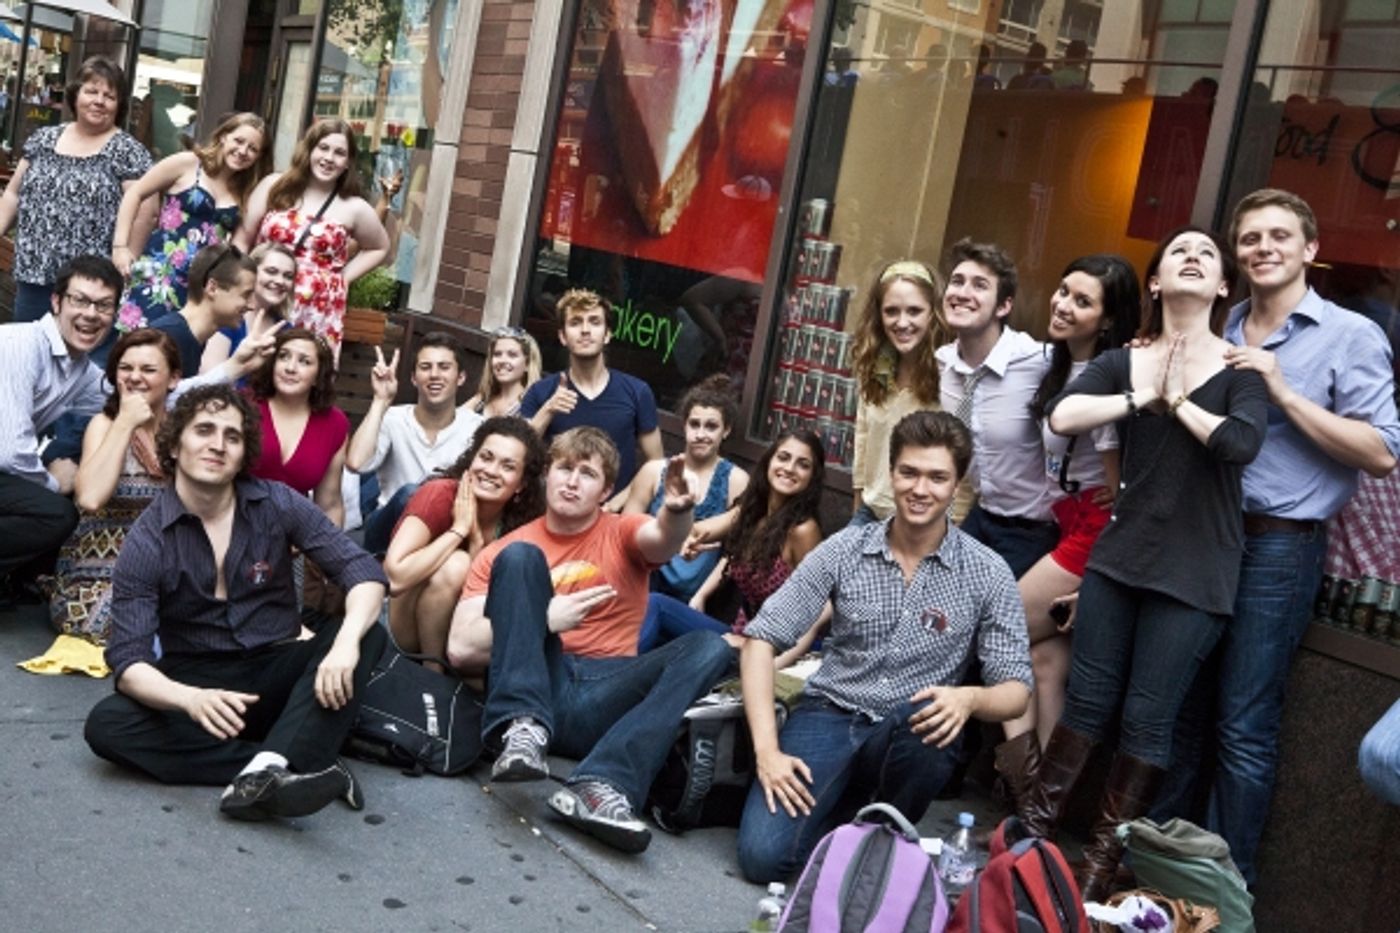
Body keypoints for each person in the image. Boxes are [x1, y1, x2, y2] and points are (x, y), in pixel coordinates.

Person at [1021, 226, 1269, 903]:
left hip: (1196, 572)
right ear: (1155, 282)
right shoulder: (1127, 362)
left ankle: (1100, 867)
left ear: (1223, 287)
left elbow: (1241, 444)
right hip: (1120, 558)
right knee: (1089, 704)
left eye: (1206, 254)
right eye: (1176, 252)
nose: (1191, 257)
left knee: (1148, 720)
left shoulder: (1244, 366)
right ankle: (1030, 844)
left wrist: (1180, 400)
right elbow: (1064, 413)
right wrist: (1142, 395)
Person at [1163, 190, 1400, 886]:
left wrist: (1285, 393)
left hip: (1278, 547)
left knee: (1241, 724)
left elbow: (1383, 451)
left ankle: (1224, 894)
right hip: (1200, 539)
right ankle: (1162, 880)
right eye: (1250, 238)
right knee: (1180, 711)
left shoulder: (1350, 335)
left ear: (1310, 250)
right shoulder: (1222, 321)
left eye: (1279, 236)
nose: (1263, 247)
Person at [734, 411, 1031, 882]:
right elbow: (760, 641)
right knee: (761, 859)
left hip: (908, 730)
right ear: (891, 474)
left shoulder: (988, 572)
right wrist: (767, 751)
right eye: (909, 472)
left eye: (937, 477)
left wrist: (970, 697)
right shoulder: (844, 549)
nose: (920, 489)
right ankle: (851, 815)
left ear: (957, 486)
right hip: (829, 713)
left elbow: (1017, 689)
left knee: (933, 726)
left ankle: (881, 826)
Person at [83, 384, 388, 821]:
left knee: (363, 633)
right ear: (176, 444)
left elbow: (362, 571)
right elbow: (129, 663)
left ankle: (269, 768)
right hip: (199, 682)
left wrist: (345, 645)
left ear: (245, 452)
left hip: (277, 666)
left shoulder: (275, 501)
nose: (217, 444)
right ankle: (295, 760)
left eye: (232, 436)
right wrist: (189, 700)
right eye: (203, 430)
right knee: (108, 725)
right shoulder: (148, 538)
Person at [444, 427, 733, 853]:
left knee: (711, 646)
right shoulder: (504, 551)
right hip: (542, 684)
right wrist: (543, 621)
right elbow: (461, 649)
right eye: (563, 468)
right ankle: (523, 729)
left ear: (606, 490)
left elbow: (662, 540)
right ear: (546, 476)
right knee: (522, 560)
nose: (572, 481)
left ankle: (602, 784)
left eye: (587, 474)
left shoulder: (621, 531)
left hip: (608, 694)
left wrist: (676, 511)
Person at [0, 255, 279, 601]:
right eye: (80, 301)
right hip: (14, 472)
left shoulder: (81, 371)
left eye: (103, 306)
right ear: (56, 302)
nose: (91, 314)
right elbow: (11, 452)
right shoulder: (19, 345)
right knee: (53, 512)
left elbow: (156, 396)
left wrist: (234, 367)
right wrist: (56, 482)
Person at [992, 255, 1139, 817]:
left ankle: (1028, 802)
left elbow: (1119, 493)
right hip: (1070, 520)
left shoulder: (1103, 377)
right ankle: (1038, 814)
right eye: (1062, 290)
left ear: (1107, 320)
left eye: (1082, 300)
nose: (1062, 304)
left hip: (1095, 531)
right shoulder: (1060, 365)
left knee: (999, 632)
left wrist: (1096, 581)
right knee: (1046, 665)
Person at [639, 429, 825, 660]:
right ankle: (612, 672)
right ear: (769, 461)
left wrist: (763, 654)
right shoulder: (752, 511)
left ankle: (609, 675)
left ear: (812, 476)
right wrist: (686, 540)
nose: (789, 468)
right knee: (657, 608)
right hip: (741, 636)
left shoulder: (802, 530)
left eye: (803, 464)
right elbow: (698, 530)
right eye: (784, 457)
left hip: (778, 649)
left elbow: (819, 608)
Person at [47, 329, 182, 645]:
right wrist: (125, 423)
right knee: (118, 621)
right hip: (98, 577)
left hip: (165, 573)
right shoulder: (104, 424)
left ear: (173, 379)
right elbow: (91, 498)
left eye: (148, 369)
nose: (134, 378)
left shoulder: (182, 429)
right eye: (125, 368)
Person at [935, 239, 1057, 578]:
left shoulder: (1040, 362)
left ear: (1003, 306)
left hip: (1034, 529)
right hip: (981, 514)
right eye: (957, 281)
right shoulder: (943, 362)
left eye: (979, 285)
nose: (962, 292)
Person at [384, 416, 547, 668]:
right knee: (457, 564)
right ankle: (433, 672)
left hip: (461, 642)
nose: (491, 471)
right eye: (486, 457)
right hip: (399, 627)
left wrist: (476, 548)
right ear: (472, 459)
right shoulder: (439, 494)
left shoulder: (519, 524)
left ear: (521, 485)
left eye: (508, 466)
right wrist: (459, 530)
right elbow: (395, 578)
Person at [0, 56, 152, 323]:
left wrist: (126, 267)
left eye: (109, 96)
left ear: (119, 105)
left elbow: (146, 211)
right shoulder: (44, 139)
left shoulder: (128, 151)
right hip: (33, 276)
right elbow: (13, 194)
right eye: (91, 91)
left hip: (90, 289)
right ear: (75, 94)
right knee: (28, 356)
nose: (99, 100)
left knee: (76, 361)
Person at [235, 119, 390, 356]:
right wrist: (240, 285)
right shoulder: (274, 185)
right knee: (248, 368)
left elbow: (380, 247)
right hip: (263, 296)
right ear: (309, 150)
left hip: (315, 310)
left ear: (348, 162)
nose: (329, 158)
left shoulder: (354, 207)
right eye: (323, 148)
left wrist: (342, 279)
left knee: (300, 376)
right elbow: (243, 238)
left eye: (339, 153)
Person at [113, 112, 271, 331]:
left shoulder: (245, 190)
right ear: (224, 136)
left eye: (253, 148)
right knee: (137, 346)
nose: (243, 151)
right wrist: (120, 246)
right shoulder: (189, 163)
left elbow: (237, 245)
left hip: (202, 289)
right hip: (159, 276)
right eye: (239, 141)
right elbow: (136, 193)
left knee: (180, 354)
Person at [347, 332, 484, 554]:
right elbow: (356, 463)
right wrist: (380, 401)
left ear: (461, 377)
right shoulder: (393, 418)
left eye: (444, 367)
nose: (434, 375)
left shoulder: (476, 428)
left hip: (443, 531)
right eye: (426, 367)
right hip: (385, 529)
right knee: (411, 493)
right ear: (413, 378)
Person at [620, 374, 748, 601]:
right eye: (694, 424)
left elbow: (737, 550)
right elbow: (624, 534)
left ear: (725, 431)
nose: (701, 434)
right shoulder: (654, 471)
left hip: (693, 597)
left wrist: (701, 597)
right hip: (644, 584)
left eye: (711, 427)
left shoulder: (735, 480)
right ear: (684, 425)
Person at [520, 288, 662, 493]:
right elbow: (519, 455)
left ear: (607, 334)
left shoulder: (637, 392)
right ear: (562, 336)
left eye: (595, 322)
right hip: (556, 508)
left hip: (615, 515)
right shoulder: (540, 392)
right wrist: (548, 410)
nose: (585, 330)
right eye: (575, 322)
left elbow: (656, 464)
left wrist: (618, 504)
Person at [849, 259, 947, 525]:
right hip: (871, 513)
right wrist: (858, 508)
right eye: (891, 311)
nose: (902, 323)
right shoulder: (876, 369)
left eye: (914, 311)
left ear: (934, 313)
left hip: (923, 523)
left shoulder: (949, 376)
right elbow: (863, 439)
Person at [247, 327, 349, 526]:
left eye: (305, 361)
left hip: (291, 539)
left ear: (318, 375)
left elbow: (329, 505)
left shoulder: (334, 423)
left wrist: (326, 555)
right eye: (283, 357)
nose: (290, 367)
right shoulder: (244, 405)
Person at [147, 244, 258, 377]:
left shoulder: (192, 338)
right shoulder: (168, 337)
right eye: (246, 295)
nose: (252, 306)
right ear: (212, 288)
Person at [199, 242, 297, 371]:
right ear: (252, 272)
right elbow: (206, 379)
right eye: (271, 272)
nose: (280, 281)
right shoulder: (227, 316)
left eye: (288, 276)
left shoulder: (287, 329)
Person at [464, 325, 543, 418]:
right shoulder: (481, 402)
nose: (502, 360)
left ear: (527, 364)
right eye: (497, 354)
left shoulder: (531, 407)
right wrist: (479, 397)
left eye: (512, 355)